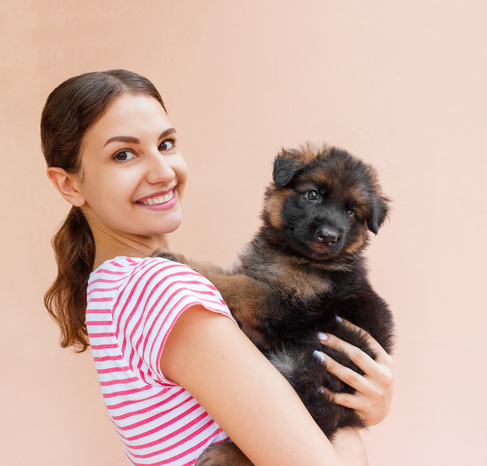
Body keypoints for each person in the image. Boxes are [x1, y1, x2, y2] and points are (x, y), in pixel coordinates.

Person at [41, 69, 393, 466]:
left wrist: (358, 403)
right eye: (124, 154)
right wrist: (355, 416)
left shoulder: (110, 285)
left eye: (166, 143)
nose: (162, 172)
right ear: (68, 184)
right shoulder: (158, 288)